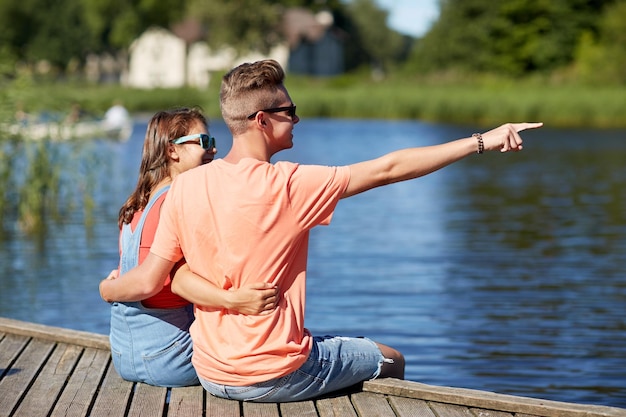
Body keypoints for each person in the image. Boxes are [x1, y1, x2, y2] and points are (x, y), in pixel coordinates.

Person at [100, 59, 542, 401]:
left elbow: (170, 274)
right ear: (262, 121)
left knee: (326, 340)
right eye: (289, 111)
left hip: (212, 371)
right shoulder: (289, 184)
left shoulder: (185, 186)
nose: (297, 118)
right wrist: (482, 141)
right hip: (274, 373)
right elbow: (389, 168)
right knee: (390, 358)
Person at [102, 107, 278, 387]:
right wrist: (106, 289)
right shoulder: (180, 198)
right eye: (204, 142)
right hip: (171, 356)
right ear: (173, 151)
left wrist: (116, 282)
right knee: (262, 359)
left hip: (125, 355)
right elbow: (149, 283)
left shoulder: (135, 205)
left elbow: (140, 270)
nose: (214, 149)